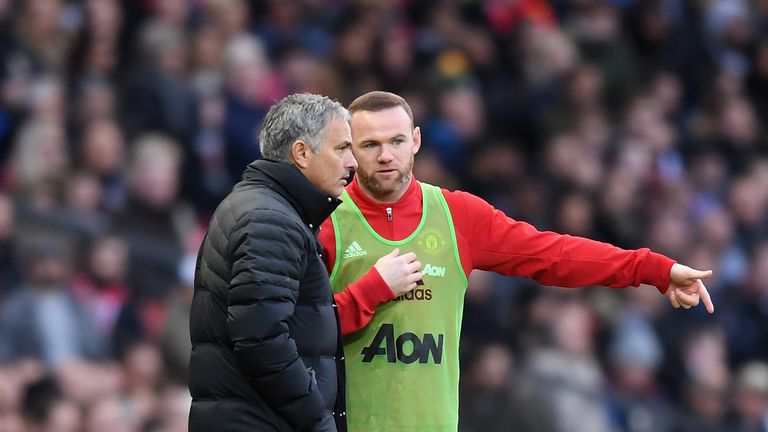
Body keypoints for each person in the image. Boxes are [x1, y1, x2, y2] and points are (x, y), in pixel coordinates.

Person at [319, 91, 715, 431]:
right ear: (350, 147)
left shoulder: (457, 215)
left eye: (397, 141)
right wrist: (374, 289)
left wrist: (654, 269)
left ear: (416, 141)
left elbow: (554, 254)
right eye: (370, 145)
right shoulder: (324, 220)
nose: (386, 155)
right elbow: (299, 329)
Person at [188, 93, 421, 431]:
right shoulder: (269, 220)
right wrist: (317, 420)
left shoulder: (262, 207)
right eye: (341, 149)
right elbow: (261, 339)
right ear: (301, 153)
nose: (353, 162)